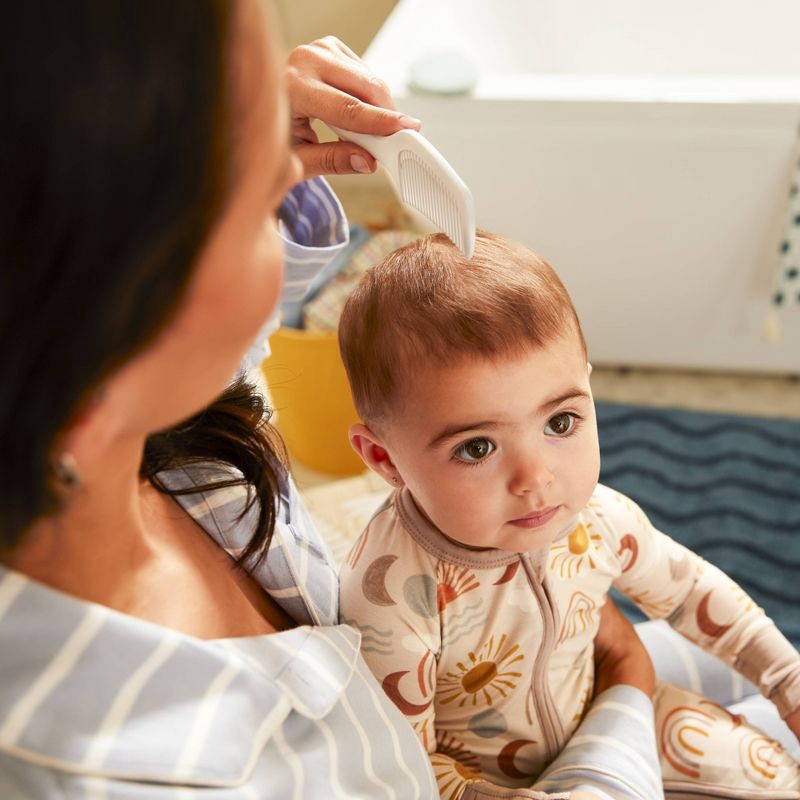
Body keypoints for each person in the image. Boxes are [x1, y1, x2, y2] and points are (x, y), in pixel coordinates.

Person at [0, 2, 663, 798]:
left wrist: (248, 132)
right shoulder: (122, 774)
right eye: (258, 202)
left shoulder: (130, 417)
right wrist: (627, 690)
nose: (289, 184)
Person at [338, 231, 800, 800]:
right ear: (385, 460)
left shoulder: (598, 518)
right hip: (493, 784)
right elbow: (404, 768)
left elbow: (691, 592)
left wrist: (789, 683)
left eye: (560, 423)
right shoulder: (390, 592)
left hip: (604, 702)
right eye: (477, 448)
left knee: (776, 778)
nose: (536, 479)